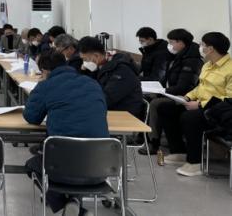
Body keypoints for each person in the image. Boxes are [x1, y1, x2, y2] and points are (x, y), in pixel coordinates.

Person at [24, 50, 108, 216]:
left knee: (32, 165)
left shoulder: (46, 86)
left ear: (45, 71)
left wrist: (40, 87)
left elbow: (31, 116)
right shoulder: (92, 83)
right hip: (100, 167)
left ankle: (69, 205)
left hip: (62, 167)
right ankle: (74, 202)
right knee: (75, 156)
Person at [157, 32, 232, 177]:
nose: (200, 47)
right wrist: (186, 97)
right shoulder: (208, 65)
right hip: (200, 105)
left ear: (210, 48)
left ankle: (195, 162)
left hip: (218, 112)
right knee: (166, 108)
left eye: (202, 44)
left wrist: (200, 105)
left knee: (190, 117)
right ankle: (179, 152)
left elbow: (228, 99)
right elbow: (200, 87)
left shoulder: (229, 69)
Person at [143, 28, 203, 154]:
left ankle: (154, 141)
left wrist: (163, 91)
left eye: (171, 42)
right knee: (147, 97)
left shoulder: (192, 60)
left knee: (156, 103)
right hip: (171, 92)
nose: (169, 45)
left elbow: (185, 86)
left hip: (183, 96)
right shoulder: (177, 56)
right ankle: (143, 135)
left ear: (181, 43)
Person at [78, 36, 144, 118]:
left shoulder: (121, 70)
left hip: (124, 116)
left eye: (85, 59)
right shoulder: (101, 66)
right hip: (109, 111)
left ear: (96, 56)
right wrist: (84, 72)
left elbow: (106, 99)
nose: (84, 63)